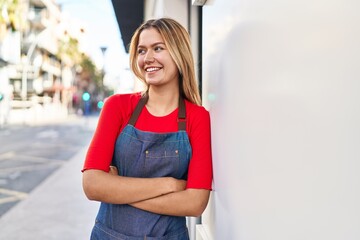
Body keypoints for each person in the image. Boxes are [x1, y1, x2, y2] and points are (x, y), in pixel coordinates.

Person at [82, 17, 213, 240]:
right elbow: (92, 185)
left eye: (158, 48)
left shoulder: (197, 117)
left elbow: (195, 203)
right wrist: (169, 184)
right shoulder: (117, 106)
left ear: (179, 53)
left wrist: (116, 190)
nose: (147, 58)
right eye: (141, 51)